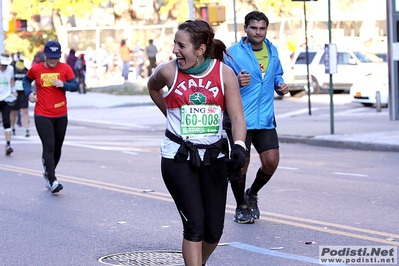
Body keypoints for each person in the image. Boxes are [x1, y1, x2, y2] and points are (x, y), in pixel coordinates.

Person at [147, 19, 247, 266]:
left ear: (200, 49)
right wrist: (170, 115)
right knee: (194, 226)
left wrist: (240, 146)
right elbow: (152, 88)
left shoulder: (224, 74)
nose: (175, 50)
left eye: (181, 45)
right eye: (175, 44)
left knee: (213, 231)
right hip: (178, 158)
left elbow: (236, 116)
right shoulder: (168, 71)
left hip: (214, 157)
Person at [223, 11, 290, 224]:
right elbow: (219, 83)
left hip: (265, 118)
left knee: (271, 161)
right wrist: (235, 80)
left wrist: (280, 86)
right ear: (246, 29)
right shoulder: (231, 53)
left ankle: (251, 194)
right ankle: (241, 206)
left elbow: (276, 74)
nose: (258, 32)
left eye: (262, 28)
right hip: (239, 117)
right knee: (241, 163)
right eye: (254, 28)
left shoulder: (273, 50)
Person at [23, 40, 79, 193]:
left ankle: (48, 172)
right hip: (42, 113)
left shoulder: (65, 69)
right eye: (50, 57)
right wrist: (30, 93)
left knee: (57, 147)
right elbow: (26, 80)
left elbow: (75, 86)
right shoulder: (36, 69)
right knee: (49, 145)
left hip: (61, 114)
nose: (53, 60)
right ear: (45, 56)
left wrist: (64, 85)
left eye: (56, 57)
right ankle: (53, 180)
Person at [0, 53, 16, 155]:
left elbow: (12, 80)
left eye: (5, 65)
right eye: (2, 65)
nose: (4, 67)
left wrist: (14, 91)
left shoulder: (10, 69)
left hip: (6, 97)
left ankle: (8, 144)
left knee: (7, 121)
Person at [10, 59, 30, 137]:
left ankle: (26, 129)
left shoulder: (26, 71)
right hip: (15, 93)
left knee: (25, 112)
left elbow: (29, 81)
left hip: (23, 93)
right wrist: (12, 90)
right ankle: (12, 128)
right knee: (13, 112)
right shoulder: (12, 71)